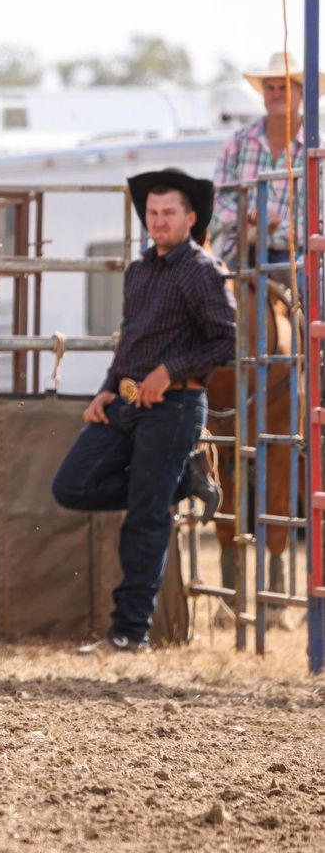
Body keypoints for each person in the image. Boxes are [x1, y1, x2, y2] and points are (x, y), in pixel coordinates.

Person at [51, 169, 234, 654]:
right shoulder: (140, 270)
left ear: (190, 218)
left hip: (175, 405)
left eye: (168, 213)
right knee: (71, 485)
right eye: (151, 213)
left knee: (145, 517)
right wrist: (107, 389)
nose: (157, 221)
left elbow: (225, 341)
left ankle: (129, 633)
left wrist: (169, 372)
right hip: (128, 400)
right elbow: (131, 339)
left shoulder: (202, 270)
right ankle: (185, 481)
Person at [210, 51, 318, 274]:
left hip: (297, 255)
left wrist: (268, 230)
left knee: (313, 289)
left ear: (301, 92)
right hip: (240, 252)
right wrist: (249, 222)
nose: (276, 94)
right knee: (209, 286)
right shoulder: (236, 144)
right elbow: (219, 202)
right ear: (264, 94)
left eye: (284, 87)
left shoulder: (319, 151)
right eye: (270, 88)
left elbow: (321, 219)